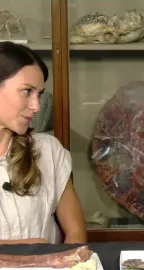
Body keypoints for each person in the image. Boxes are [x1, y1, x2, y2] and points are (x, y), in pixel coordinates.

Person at [0, 41, 87, 244]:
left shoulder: (48, 150)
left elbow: (76, 233)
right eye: (26, 91)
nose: (36, 106)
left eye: (38, 94)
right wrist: (26, 249)